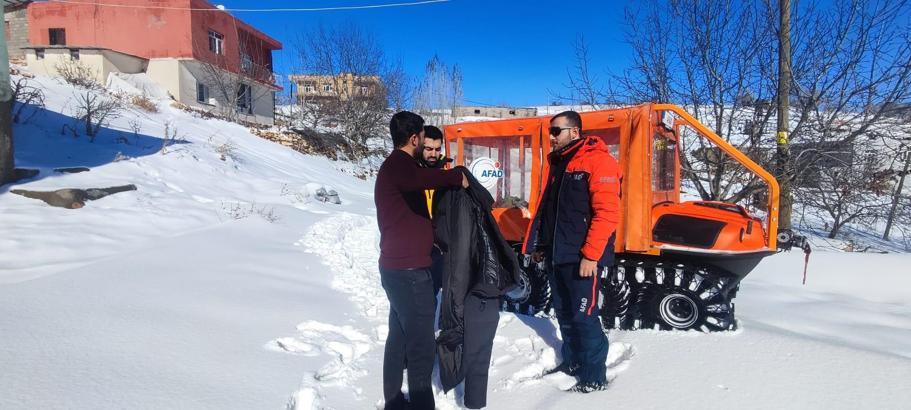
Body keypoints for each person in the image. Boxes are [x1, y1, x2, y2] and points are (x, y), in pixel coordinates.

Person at [374, 111, 468, 409]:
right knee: (421, 347)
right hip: (409, 273)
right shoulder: (400, 167)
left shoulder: (397, 167)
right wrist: (456, 176)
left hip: (400, 270)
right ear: (414, 138)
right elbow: (422, 179)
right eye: (423, 140)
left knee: (400, 337)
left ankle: (393, 402)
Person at [524, 110, 621, 393]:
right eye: (550, 131)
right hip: (558, 255)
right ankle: (573, 362)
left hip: (582, 259)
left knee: (584, 317)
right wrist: (541, 246)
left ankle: (594, 377)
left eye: (556, 131)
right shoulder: (559, 163)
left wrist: (591, 255)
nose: (551, 136)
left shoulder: (599, 161)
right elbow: (550, 211)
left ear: (575, 132)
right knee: (564, 314)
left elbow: (607, 214)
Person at [421, 125, 447, 294]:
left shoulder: (446, 170)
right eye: (429, 149)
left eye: (437, 149)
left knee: (434, 292)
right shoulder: (413, 171)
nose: (433, 154)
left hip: (439, 246)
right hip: (418, 244)